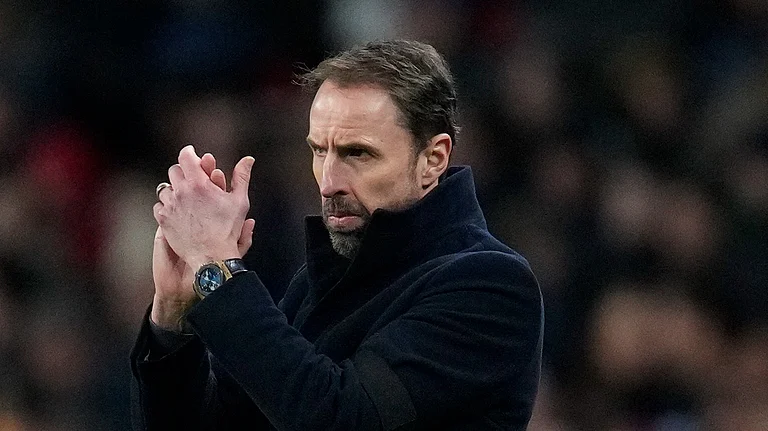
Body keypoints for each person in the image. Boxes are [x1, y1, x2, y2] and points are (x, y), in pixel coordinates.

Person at [130, 40, 544, 430]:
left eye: (357, 153)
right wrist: (173, 319)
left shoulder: (490, 287)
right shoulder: (320, 278)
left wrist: (217, 271)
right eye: (319, 150)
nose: (328, 182)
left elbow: (340, 418)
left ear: (433, 159)